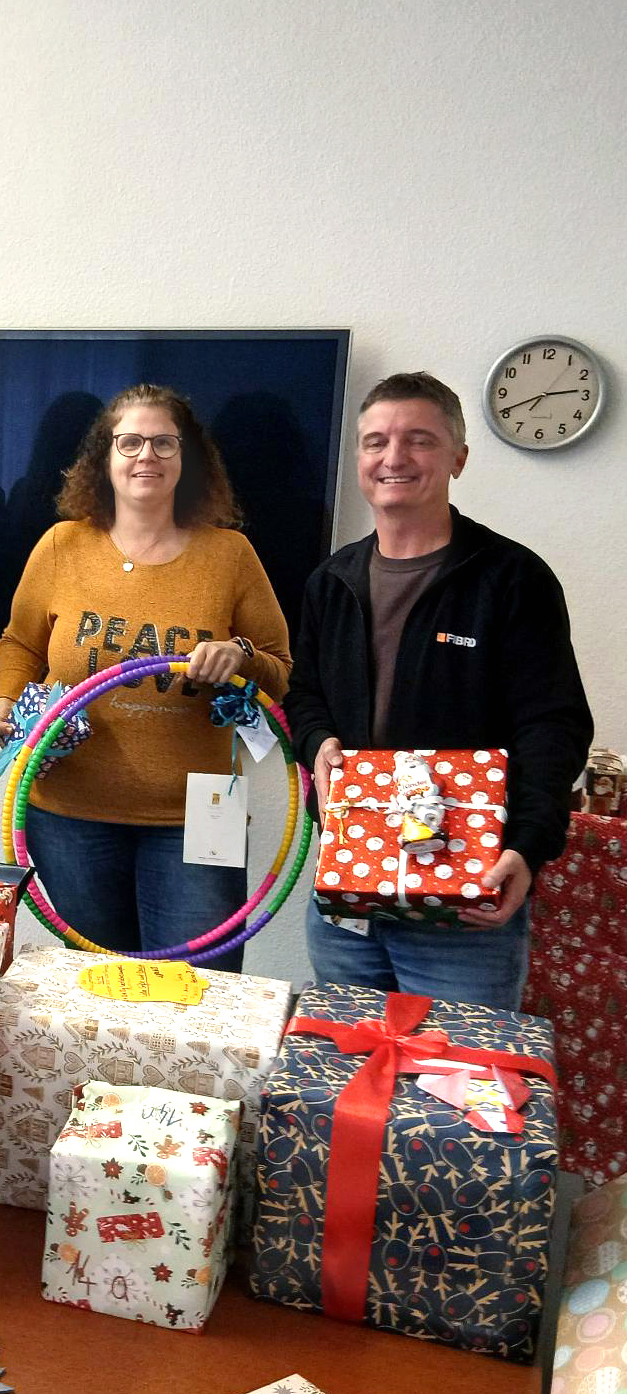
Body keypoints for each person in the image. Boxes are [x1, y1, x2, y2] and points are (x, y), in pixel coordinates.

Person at [285, 370, 592, 1010]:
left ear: (458, 457)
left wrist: (528, 847)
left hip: (465, 898)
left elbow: (552, 725)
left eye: (418, 440)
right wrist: (316, 740)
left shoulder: (512, 579)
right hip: (349, 887)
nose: (393, 458)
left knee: (456, 1090)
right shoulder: (330, 581)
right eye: (375, 442)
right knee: (348, 1081)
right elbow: (304, 693)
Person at [0, 384, 291, 969]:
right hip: (68, 817)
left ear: (188, 459)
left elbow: (279, 673)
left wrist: (240, 656)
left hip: (201, 815)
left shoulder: (230, 555)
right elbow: (19, 643)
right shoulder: (62, 545)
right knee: (104, 988)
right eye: (129, 442)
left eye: (163, 443)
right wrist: (5, 702)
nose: (145, 456)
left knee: (199, 995)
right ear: (105, 457)